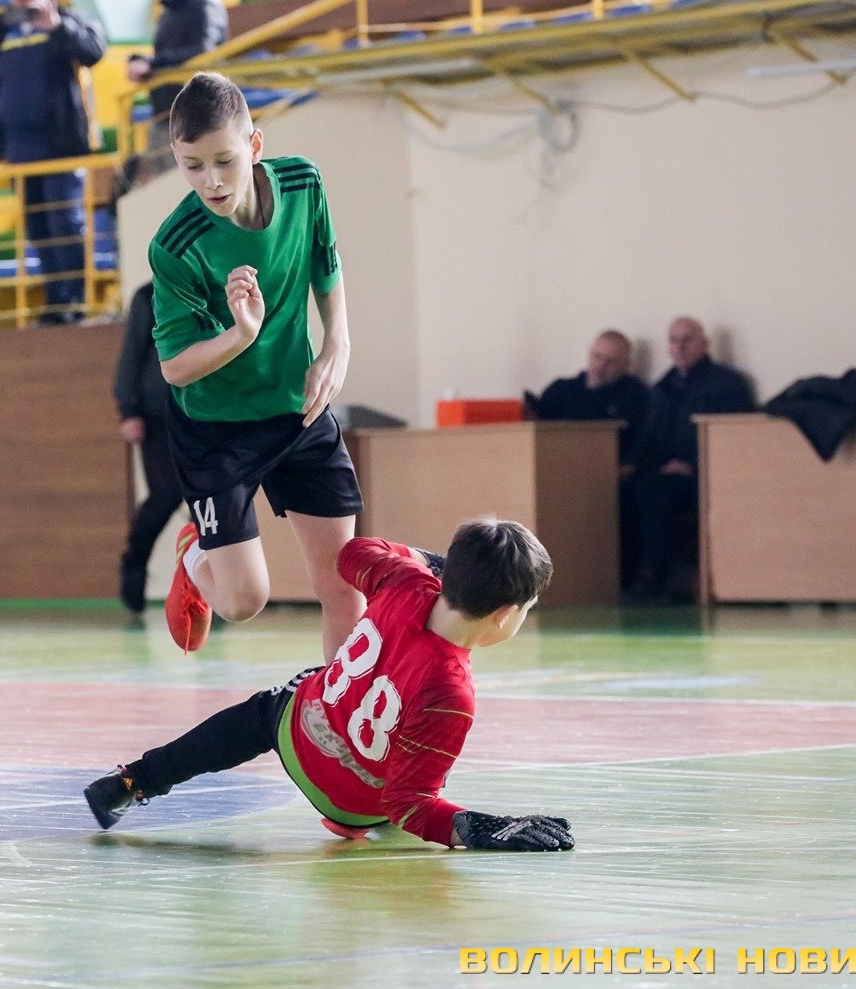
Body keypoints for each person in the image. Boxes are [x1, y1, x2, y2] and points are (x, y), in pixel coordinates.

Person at [83, 518, 575, 853]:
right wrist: (482, 828)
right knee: (423, 756)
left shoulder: (404, 580)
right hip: (355, 807)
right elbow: (408, 805)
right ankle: (344, 816)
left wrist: (435, 562)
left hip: (298, 738)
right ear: (505, 613)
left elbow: (354, 554)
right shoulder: (452, 693)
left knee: (267, 710)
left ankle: (131, 782)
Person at [151, 72, 364, 661]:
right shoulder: (176, 245)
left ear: (255, 145)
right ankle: (195, 557)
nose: (212, 181)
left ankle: (336, 712)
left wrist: (337, 344)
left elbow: (325, 263)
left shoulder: (302, 183)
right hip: (215, 429)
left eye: (225, 160)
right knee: (245, 601)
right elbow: (174, 368)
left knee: (345, 584)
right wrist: (242, 334)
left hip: (297, 407)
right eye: (193, 166)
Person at [0, 0, 106, 325]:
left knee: (65, 223)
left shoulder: (71, 20)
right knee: (37, 227)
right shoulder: (1, 29)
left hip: (62, 147)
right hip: (18, 151)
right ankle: (56, 302)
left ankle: (76, 301)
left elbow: (94, 52)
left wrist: (56, 26)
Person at [622, 316, 755, 604]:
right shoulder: (662, 388)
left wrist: (693, 466)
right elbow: (648, 437)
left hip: (709, 477)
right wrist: (630, 465)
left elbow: (735, 441)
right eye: (673, 340)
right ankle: (629, 578)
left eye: (687, 340)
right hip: (665, 472)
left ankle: (656, 579)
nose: (680, 347)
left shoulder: (728, 385)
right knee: (625, 489)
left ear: (704, 344)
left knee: (655, 492)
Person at [526, 329, 649, 588]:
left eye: (610, 361)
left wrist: (625, 468)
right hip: (556, 476)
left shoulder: (636, 396)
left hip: (611, 478)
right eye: (597, 357)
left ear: (626, 365)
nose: (601, 365)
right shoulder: (561, 391)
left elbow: (643, 442)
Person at [114, 283, 182, 617]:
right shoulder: (147, 296)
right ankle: (134, 563)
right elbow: (132, 354)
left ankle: (209, 589)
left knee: (209, 503)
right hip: (157, 416)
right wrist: (128, 409)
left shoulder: (209, 286)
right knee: (165, 495)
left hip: (202, 413)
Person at [126, 0, 228, 150]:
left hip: (200, 118)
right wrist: (143, 63)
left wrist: (152, 63)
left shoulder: (205, 5)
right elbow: (167, 54)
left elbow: (204, 52)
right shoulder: (169, 11)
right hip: (165, 116)